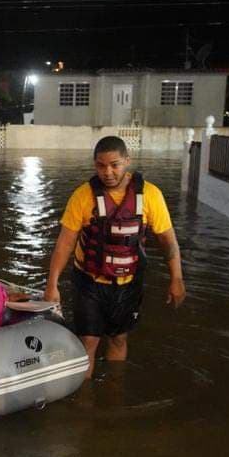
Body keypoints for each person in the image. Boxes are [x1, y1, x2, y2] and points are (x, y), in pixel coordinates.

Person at [44, 136, 185, 377]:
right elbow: (65, 243)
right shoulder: (83, 196)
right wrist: (52, 284)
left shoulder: (150, 195)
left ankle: (113, 394)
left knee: (118, 339)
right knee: (88, 341)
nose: (107, 172)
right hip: (88, 281)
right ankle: (85, 402)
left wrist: (177, 278)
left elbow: (167, 240)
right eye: (100, 165)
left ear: (127, 161)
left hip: (127, 284)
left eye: (114, 165)